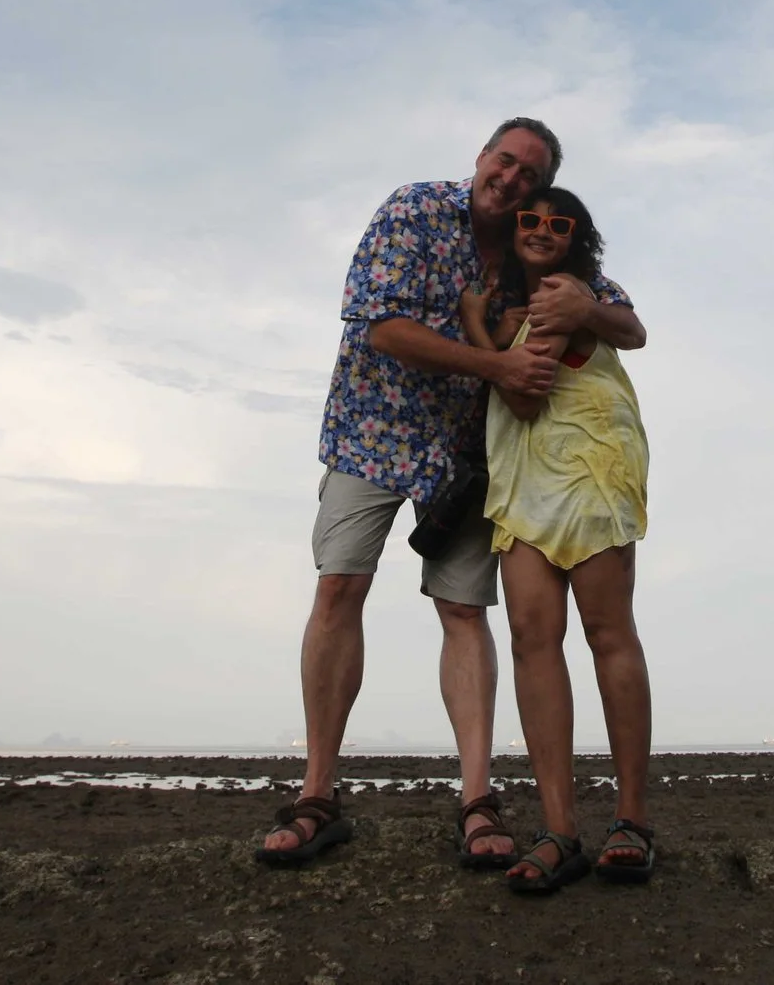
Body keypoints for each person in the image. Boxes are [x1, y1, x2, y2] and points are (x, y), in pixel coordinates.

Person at [256, 120, 646, 869]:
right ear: (481, 158)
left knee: (465, 611)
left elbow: (624, 319)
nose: (511, 180)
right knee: (339, 588)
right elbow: (381, 327)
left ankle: (477, 799)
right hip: (371, 429)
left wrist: (578, 315)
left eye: (529, 174)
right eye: (504, 160)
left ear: (544, 190)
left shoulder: (547, 243)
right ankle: (317, 795)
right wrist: (494, 366)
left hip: (471, 456)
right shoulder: (415, 210)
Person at [458, 186, 656, 892]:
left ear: (577, 236)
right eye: (530, 221)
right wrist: (487, 321)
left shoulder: (571, 292)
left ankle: (630, 819)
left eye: (558, 222)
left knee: (607, 632)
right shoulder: (519, 297)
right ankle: (561, 829)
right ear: (512, 231)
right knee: (531, 635)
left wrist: (476, 332)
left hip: (589, 464)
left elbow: (525, 390)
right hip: (524, 473)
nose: (542, 230)